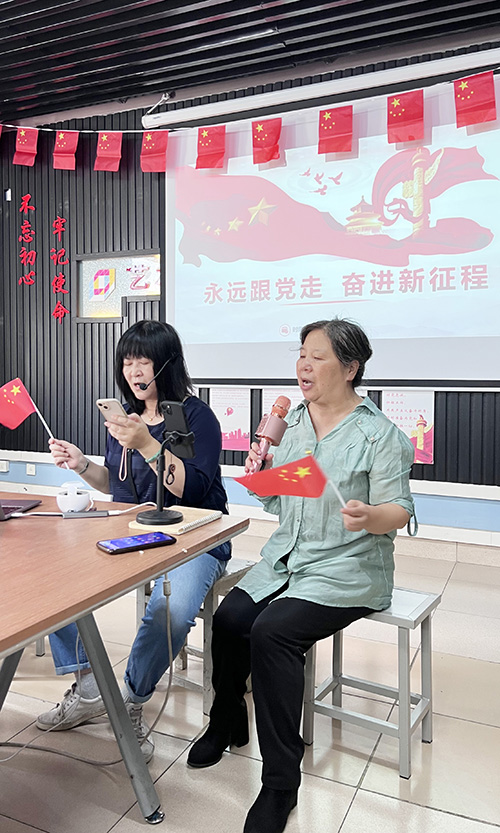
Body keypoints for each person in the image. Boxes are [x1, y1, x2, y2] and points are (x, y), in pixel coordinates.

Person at [187, 318, 415, 833]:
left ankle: (280, 784)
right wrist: (262, 476)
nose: (303, 366)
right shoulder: (291, 424)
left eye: (317, 357)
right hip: (288, 559)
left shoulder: (379, 435)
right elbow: (284, 499)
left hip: (347, 569)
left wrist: (370, 516)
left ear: (351, 368)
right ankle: (227, 720)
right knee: (231, 618)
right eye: (301, 355)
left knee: (273, 633)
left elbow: (399, 510)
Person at [37, 320, 230, 762]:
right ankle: (89, 684)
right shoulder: (126, 416)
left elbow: (192, 490)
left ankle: (131, 701)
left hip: (196, 536)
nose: (134, 371)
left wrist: (147, 444)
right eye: (127, 362)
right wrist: (82, 464)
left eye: (143, 361)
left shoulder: (196, 416)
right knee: (51, 576)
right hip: (137, 530)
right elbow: (121, 487)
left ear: (167, 364)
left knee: (171, 612)